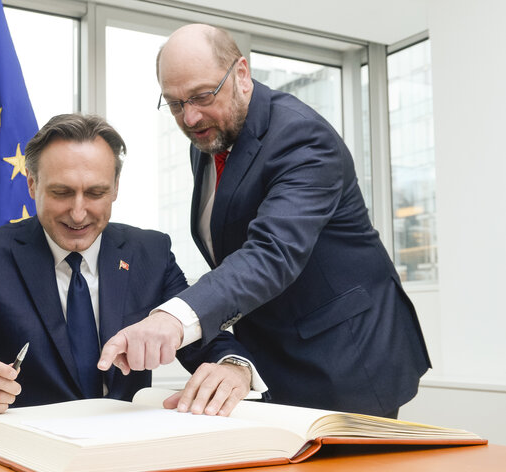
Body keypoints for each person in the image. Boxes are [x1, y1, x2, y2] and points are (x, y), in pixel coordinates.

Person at [0, 113, 254, 472]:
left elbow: (209, 342)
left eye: (95, 193)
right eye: (62, 192)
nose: (78, 213)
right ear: (32, 185)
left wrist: (233, 367)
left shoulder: (150, 252)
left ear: (115, 189)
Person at [99, 24, 431, 419]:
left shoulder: (303, 138)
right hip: (272, 354)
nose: (189, 117)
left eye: (202, 96)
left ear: (241, 74)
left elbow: (271, 252)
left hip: (347, 357)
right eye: (174, 103)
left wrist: (174, 320)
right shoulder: (210, 137)